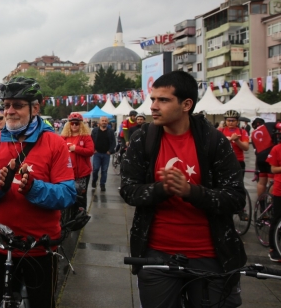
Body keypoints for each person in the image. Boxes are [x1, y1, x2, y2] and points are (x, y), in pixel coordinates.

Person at [120, 71, 246, 307]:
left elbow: (236, 198)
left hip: (212, 256)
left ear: (186, 104)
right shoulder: (142, 138)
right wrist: (162, 189)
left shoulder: (214, 141)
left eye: (163, 100)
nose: (153, 107)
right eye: (153, 99)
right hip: (157, 256)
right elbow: (128, 190)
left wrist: (191, 192)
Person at [0, 77, 76, 308]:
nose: (9, 111)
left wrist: (33, 188)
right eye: (7, 105)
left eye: (17, 105)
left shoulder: (54, 143)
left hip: (39, 247)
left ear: (35, 108)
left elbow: (68, 193)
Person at [61, 112, 94, 211]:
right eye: (72, 123)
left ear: (81, 125)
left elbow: (90, 151)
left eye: (77, 123)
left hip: (82, 173)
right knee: (68, 194)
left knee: (81, 196)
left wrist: (76, 149)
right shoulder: (63, 137)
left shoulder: (86, 137)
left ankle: (80, 216)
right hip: (67, 173)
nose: (74, 125)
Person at [265, 122, 281, 262]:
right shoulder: (276, 149)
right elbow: (273, 169)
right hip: (279, 190)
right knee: (276, 219)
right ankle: (273, 248)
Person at [251, 118, 275, 202]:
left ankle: (261, 204)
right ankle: (270, 203)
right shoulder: (269, 125)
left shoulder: (253, 134)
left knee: (261, 182)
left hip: (260, 159)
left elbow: (255, 151)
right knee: (272, 181)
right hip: (270, 156)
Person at [90, 116, 116, 192]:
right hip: (97, 153)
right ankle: (94, 180)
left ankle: (102, 184)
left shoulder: (110, 131)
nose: (104, 122)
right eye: (102, 121)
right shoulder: (95, 131)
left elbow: (113, 142)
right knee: (95, 169)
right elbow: (90, 141)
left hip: (106, 154)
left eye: (105, 121)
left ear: (107, 122)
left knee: (104, 170)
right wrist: (93, 149)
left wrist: (110, 151)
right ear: (99, 122)